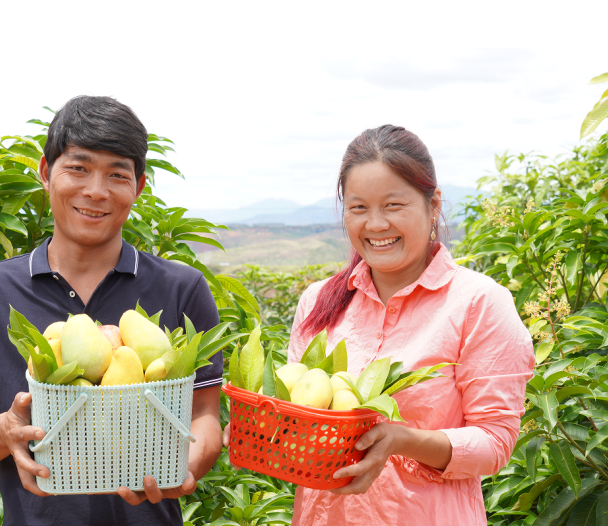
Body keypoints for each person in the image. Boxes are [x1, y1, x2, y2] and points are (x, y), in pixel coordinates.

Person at [225, 125, 534, 525]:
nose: (375, 224)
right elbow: (303, 423)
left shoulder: (479, 303)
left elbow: (495, 442)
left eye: (393, 205)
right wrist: (266, 430)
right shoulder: (318, 301)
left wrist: (402, 440)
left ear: (433, 205)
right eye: (358, 208)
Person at [0, 96, 223, 526]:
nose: (96, 190)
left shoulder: (182, 287)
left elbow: (204, 414)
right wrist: (4, 430)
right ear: (45, 172)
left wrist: (187, 466)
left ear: (139, 187)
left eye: (117, 174)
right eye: (78, 168)